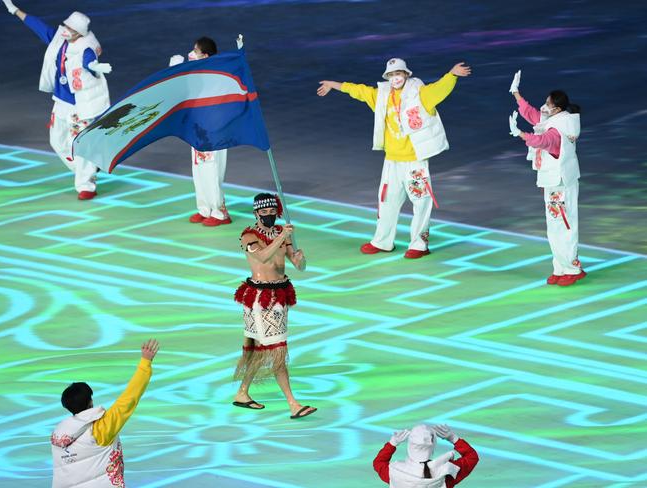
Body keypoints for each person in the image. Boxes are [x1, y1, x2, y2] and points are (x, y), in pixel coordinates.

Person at [317, 58, 471, 258]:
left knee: (421, 202)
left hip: (415, 161)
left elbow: (439, 89)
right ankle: (382, 241)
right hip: (392, 161)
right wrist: (332, 84)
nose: (395, 78)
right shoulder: (381, 96)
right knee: (386, 201)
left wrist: (451, 75)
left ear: (406, 74)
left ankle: (419, 245)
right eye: (390, 75)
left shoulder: (420, 94)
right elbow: (359, 91)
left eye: (398, 74)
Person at [2, 0, 112, 200]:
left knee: (80, 143)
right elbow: (39, 27)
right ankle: (87, 168)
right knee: (57, 141)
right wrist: (14, 10)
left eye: (70, 28)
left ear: (79, 32)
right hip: (60, 101)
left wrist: (96, 68)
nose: (65, 29)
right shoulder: (60, 41)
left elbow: (88, 61)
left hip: (79, 105)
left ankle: (86, 185)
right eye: (66, 25)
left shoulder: (85, 46)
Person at [232, 193, 316, 419]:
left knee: (259, 349)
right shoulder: (248, 236)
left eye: (272, 213)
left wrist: (300, 258)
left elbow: (299, 266)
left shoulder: (281, 233)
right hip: (260, 298)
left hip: (280, 296)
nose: (269, 216)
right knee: (278, 350)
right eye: (264, 213)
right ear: (256, 213)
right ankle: (293, 403)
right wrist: (283, 237)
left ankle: (242, 393)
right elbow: (263, 258)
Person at [508, 70, 586, 286]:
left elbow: (544, 141)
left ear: (557, 108)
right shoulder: (555, 118)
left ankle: (572, 267)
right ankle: (560, 267)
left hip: (562, 181)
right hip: (551, 181)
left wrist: (521, 135)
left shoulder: (560, 127)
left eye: (548, 104)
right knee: (554, 226)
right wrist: (516, 93)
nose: (544, 106)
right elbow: (533, 115)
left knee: (565, 224)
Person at [50, 339, 159, 488]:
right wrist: (145, 362)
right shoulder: (101, 429)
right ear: (90, 402)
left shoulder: (58, 433)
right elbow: (129, 399)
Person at [169, 36, 232, 227]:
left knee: (212, 170)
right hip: (197, 130)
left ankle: (220, 212)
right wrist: (175, 71)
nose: (191, 53)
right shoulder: (196, 73)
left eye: (195, 51)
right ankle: (204, 208)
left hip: (214, 131)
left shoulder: (215, 75)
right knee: (198, 170)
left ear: (205, 55)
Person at [373, 424, 479, 488]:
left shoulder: (395, 472)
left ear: (410, 445)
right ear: (433, 445)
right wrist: (453, 438)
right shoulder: (447, 471)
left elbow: (379, 462)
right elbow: (472, 457)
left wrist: (392, 443)